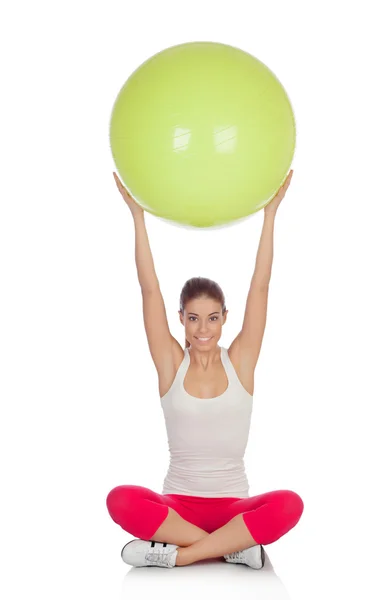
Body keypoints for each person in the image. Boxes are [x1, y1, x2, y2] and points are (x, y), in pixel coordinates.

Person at [106, 170, 303, 570]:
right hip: (177, 507)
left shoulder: (241, 361)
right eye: (193, 318)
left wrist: (270, 215)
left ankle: (179, 556)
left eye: (212, 318)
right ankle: (234, 549)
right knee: (120, 499)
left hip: (234, 507)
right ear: (180, 318)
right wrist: (137, 217)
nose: (203, 329)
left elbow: (260, 287)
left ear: (225, 318)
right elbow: (149, 290)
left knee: (290, 504)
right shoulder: (170, 365)